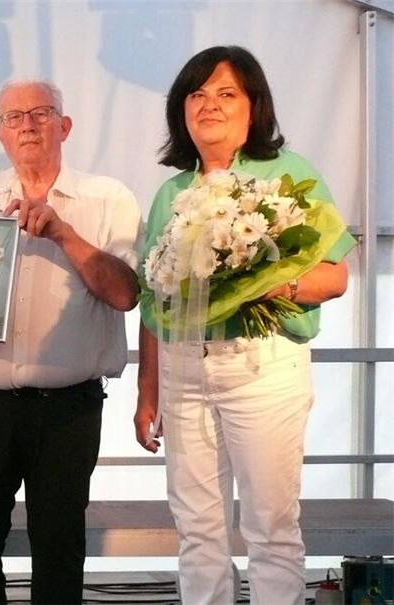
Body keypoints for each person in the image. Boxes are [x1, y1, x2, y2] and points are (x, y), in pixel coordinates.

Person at [133, 46, 355, 605]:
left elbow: (334, 277)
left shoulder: (287, 175)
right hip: (184, 369)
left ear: (254, 107)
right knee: (196, 529)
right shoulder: (171, 194)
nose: (209, 104)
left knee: (270, 528)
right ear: (181, 110)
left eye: (226, 93)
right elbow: (153, 302)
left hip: (261, 364)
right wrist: (147, 390)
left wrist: (270, 285)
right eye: (197, 94)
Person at [0, 79, 142, 605]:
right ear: (0, 134)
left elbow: (125, 294)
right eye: (14, 117)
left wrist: (62, 232)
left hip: (67, 409)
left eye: (41, 113)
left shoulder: (108, 198)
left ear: (65, 126)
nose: (27, 125)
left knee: (58, 549)